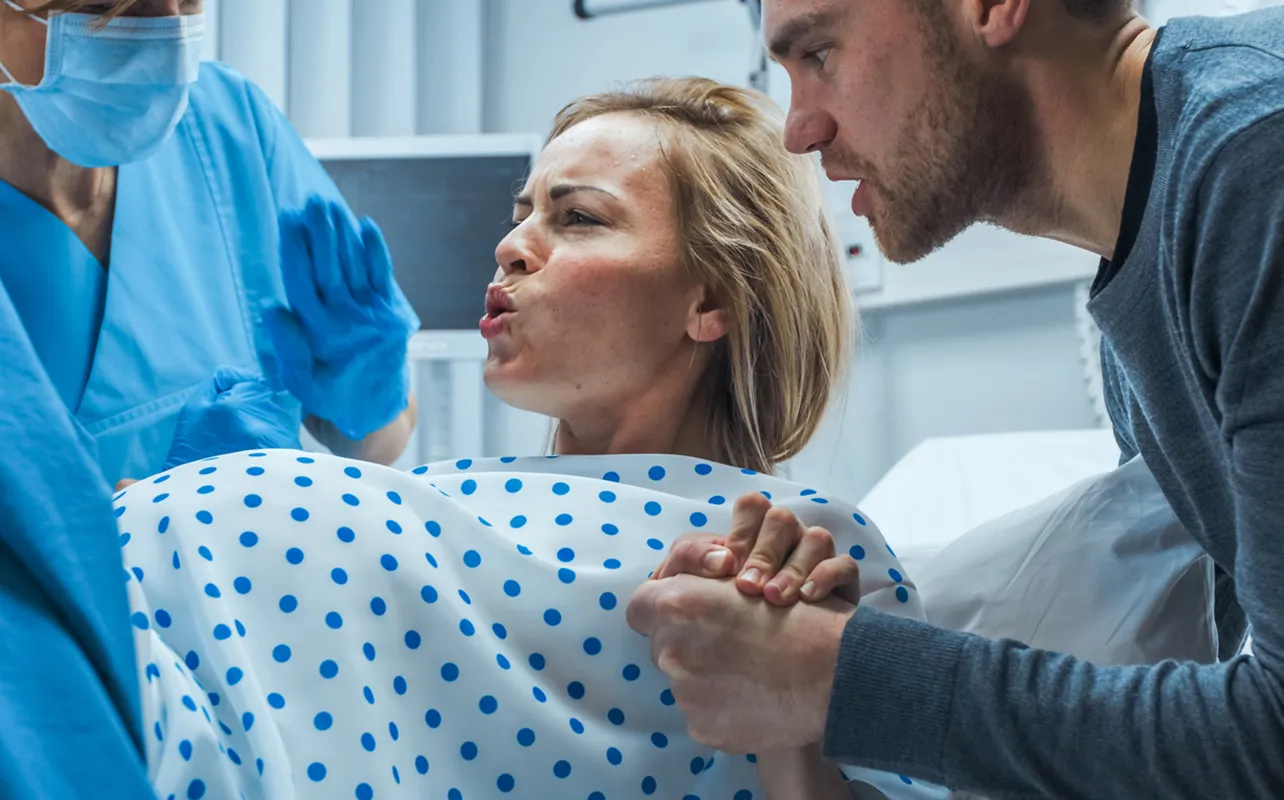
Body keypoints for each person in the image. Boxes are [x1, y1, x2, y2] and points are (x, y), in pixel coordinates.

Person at [112, 77, 943, 800]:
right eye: (521, 217)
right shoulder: (443, 503)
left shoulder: (809, 554)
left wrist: (795, 705)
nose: (510, 247)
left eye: (577, 218)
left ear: (710, 301)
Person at [629, 0, 1284, 797]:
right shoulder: (1153, 244)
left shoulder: (1255, 161)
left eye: (821, 55)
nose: (799, 131)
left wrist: (841, 675)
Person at [0, 0, 420, 490]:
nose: (167, 32)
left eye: (187, 1)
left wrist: (367, 403)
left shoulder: (228, 122)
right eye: (107, 5)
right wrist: (162, 519)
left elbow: (383, 440)